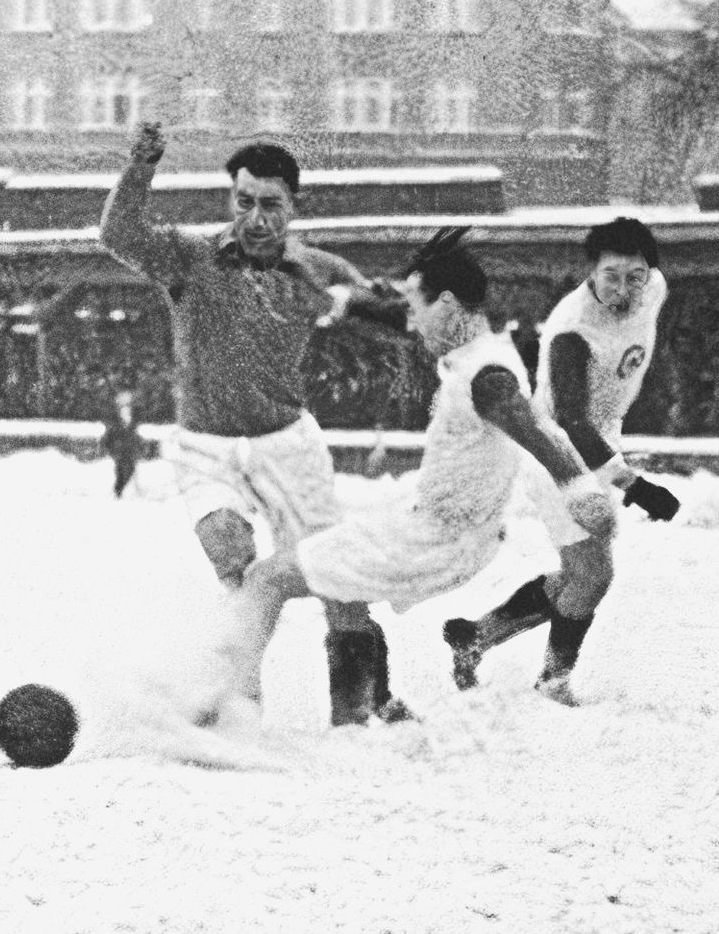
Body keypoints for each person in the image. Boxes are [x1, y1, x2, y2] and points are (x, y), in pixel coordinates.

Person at [196, 229, 617, 727]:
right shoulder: (477, 352)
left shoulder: (490, 378)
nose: (413, 323)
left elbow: (539, 435)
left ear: (446, 303)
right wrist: (335, 291)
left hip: (439, 538)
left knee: (268, 579)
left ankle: (231, 710)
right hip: (439, 527)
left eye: (418, 308)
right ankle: (370, 713)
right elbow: (395, 312)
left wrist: (582, 490)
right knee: (336, 578)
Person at [101, 121, 414, 726]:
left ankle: (361, 706)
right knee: (231, 551)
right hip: (205, 445)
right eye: (244, 201)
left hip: (287, 444)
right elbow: (117, 234)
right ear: (231, 200)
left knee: (336, 577)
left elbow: (398, 311)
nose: (257, 217)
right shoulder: (190, 257)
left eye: (271, 204)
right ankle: (238, 698)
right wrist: (139, 167)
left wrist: (400, 302)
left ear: (294, 207)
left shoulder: (318, 269)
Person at [442, 216, 680, 705]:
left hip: (601, 443)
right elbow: (571, 422)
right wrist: (634, 485)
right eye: (610, 275)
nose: (624, 289)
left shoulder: (654, 288)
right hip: (559, 456)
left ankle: (476, 637)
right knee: (593, 576)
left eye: (634, 275)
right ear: (590, 271)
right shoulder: (573, 331)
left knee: (578, 577)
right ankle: (553, 683)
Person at [103, 389, 146, 499]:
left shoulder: (134, 415)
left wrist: (139, 445)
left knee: (130, 469)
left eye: (127, 399)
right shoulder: (114, 417)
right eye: (122, 399)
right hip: (119, 449)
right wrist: (110, 447)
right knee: (121, 470)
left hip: (130, 448)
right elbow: (109, 435)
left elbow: (135, 433)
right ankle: (118, 491)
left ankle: (119, 490)